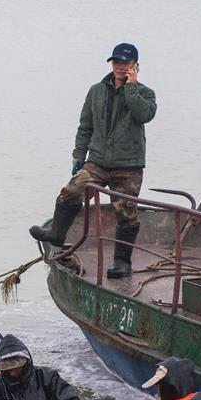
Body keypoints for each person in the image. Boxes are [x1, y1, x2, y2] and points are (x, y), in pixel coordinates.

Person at [29, 42, 157, 279]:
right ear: (111, 64)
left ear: (135, 66)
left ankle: (121, 262)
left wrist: (131, 87)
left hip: (128, 165)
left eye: (125, 63)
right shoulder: (96, 91)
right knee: (71, 191)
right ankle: (57, 233)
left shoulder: (145, 94)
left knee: (126, 213)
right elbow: (85, 126)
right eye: (116, 62)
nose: (120, 67)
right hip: (97, 160)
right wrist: (79, 156)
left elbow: (144, 115)